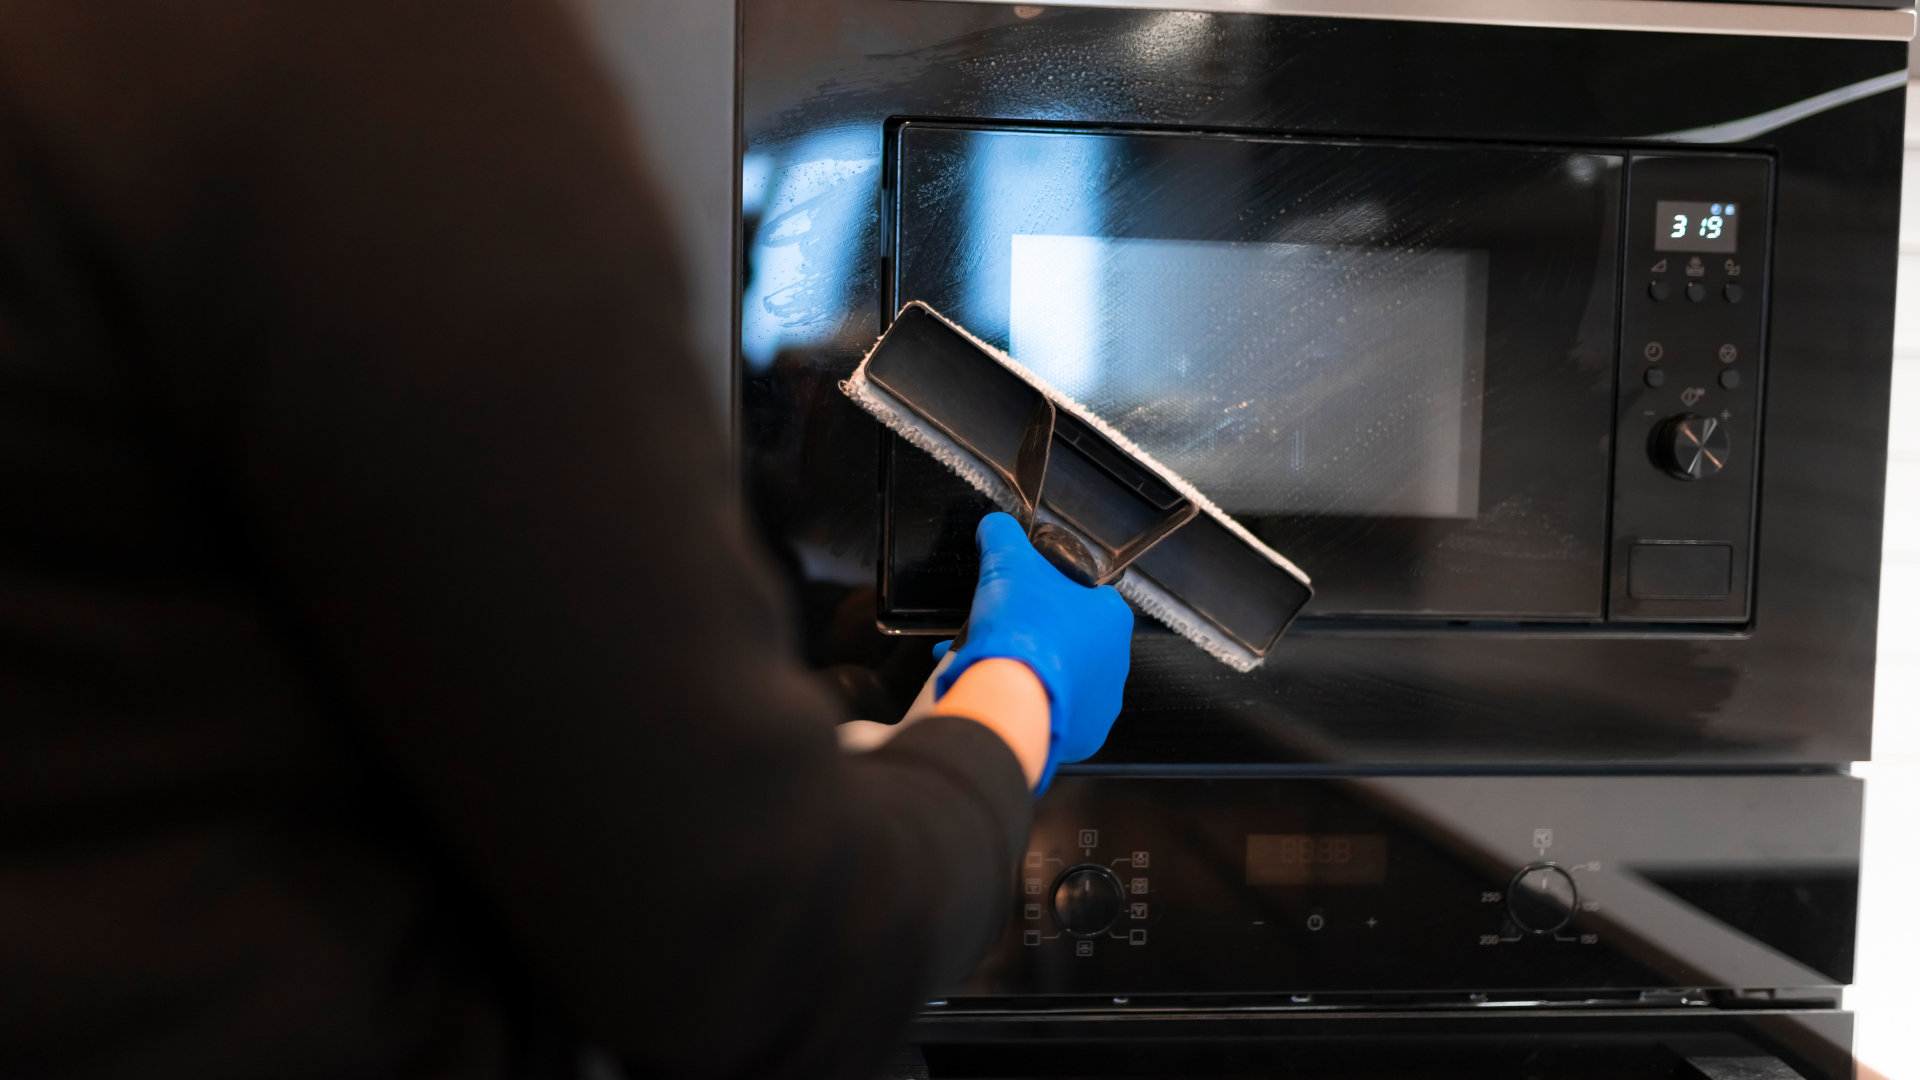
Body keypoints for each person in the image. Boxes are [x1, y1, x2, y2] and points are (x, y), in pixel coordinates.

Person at [0, 1, 1136, 1078]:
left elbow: (373, 597)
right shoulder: (376, 62)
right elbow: (768, 953)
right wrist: (1014, 691)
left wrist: (818, 642)